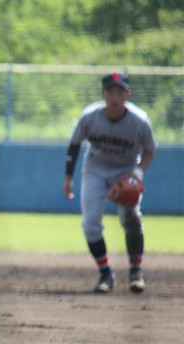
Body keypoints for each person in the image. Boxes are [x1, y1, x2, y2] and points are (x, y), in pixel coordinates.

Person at [63, 72, 157, 294]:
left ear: (128, 94)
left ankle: (136, 272)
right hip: (95, 169)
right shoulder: (90, 117)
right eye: (110, 91)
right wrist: (68, 177)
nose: (115, 96)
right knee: (91, 223)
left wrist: (138, 173)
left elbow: (150, 150)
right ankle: (106, 273)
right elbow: (74, 145)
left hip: (125, 170)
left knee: (131, 217)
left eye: (120, 91)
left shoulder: (139, 120)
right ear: (102, 94)